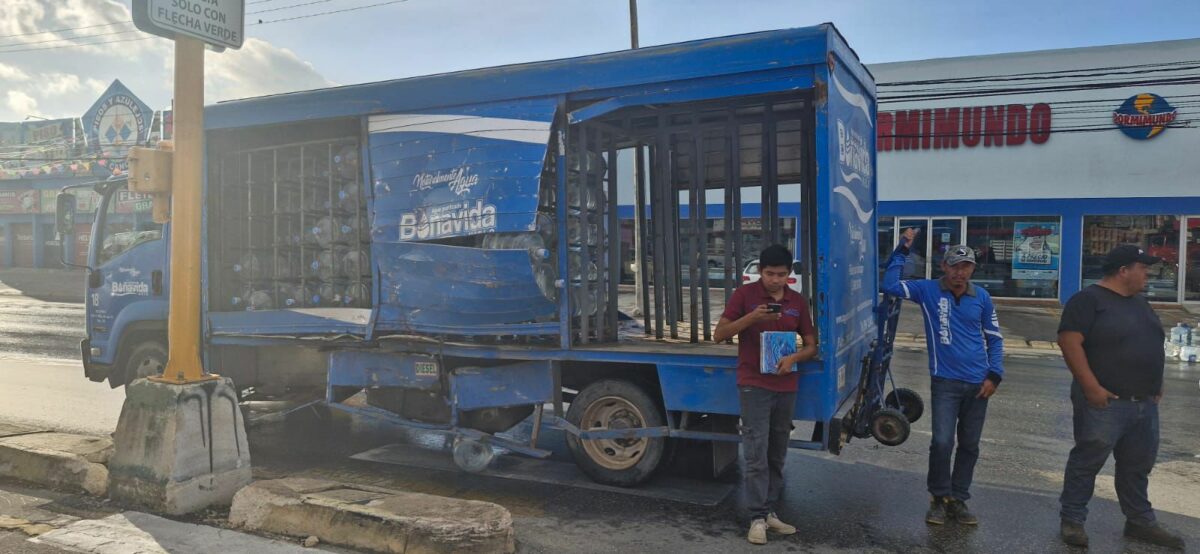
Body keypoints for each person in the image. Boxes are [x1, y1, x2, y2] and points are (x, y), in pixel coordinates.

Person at [1056, 245, 1186, 550]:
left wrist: (1157, 382)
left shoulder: (1140, 303)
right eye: (1143, 268)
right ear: (1123, 270)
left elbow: (1151, 342)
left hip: (1144, 403)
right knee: (1087, 462)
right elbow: (1069, 342)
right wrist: (1091, 387)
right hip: (1105, 402)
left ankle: (1140, 521)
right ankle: (1073, 521)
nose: (1148, 274)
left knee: (1137, 467)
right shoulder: (1087, 301)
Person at [882, 228, 1003, 526]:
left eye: (966, 266)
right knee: (942, 442)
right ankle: (938, 498)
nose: (960, 272)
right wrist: (902, 249)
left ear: (973, 269)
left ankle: (958, 500)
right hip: (945, 383)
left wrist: (995, 375)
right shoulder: (928, 290)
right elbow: (890, 285)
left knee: (970, 445)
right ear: (944, 267)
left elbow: (995, 339)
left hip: (978, 385)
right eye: (955, 266)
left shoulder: (982, 297)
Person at [713, 244, 817, 545]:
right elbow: (719, 334)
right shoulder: (745, 296)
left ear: (789, 274)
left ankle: (770, 512)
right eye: (770, 274)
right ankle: (755, 518)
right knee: (756, 451)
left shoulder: (797, 301)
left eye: (781, 275)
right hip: (753, 383)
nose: (775, 280)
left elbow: (811, 345)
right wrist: (751, 318)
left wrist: (793, 359)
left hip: (786, 385)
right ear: (760, 272)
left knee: (777, 451)